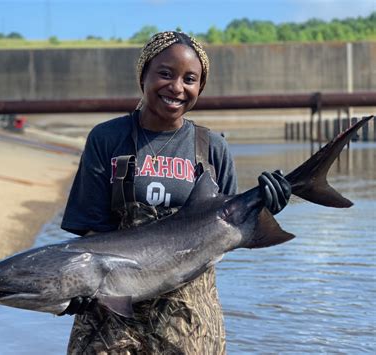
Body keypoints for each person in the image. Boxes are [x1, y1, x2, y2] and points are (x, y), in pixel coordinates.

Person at [60, 31, 291, 354]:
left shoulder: (213, 149)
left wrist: (266, 210)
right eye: (165, 74)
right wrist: (77, 286)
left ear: (200, 88)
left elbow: (228, 233)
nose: (177, 87)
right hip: (110, 312)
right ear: (144, 75)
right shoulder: (107, 139)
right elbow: (88, 229)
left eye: (190, 79)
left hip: (188, 319)